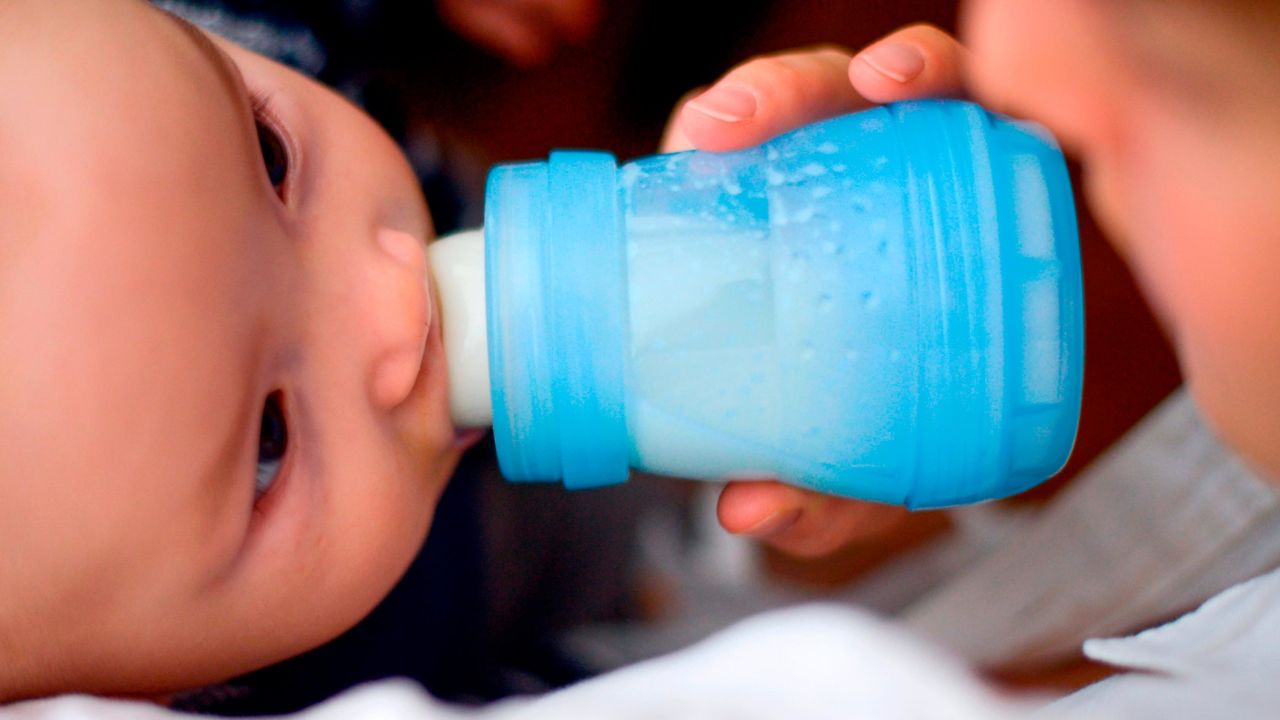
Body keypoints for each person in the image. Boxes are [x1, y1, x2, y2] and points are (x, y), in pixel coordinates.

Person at [4, 0, 1280, 717]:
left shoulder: (163, 78)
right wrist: (763, 562)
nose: (398, 299)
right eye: (270, 437)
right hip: (543, 595)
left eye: (274, 163)